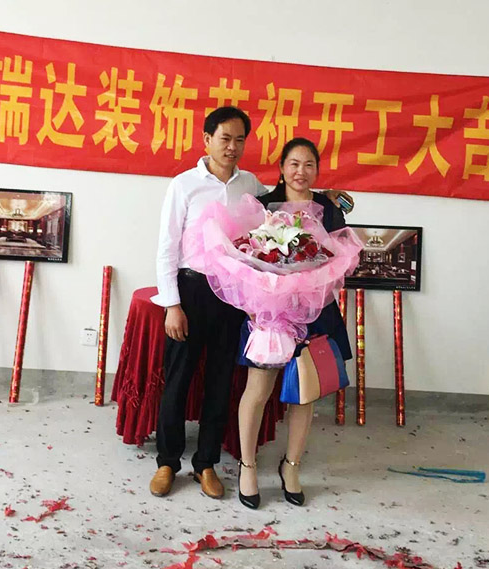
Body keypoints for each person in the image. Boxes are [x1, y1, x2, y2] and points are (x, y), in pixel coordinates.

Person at [150, 108, 352, 500]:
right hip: (192, 291)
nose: (232, 146)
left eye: (239, 139)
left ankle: (206, 463)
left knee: (221, 381)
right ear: (207, 139)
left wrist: (325, 195)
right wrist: (172, 304)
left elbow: (289, 198)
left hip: (236, 298)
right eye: (225, 138)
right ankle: (167, 462)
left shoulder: (251, 186)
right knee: (178, 377)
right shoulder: (184, 185)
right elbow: (166, 247)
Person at [236, 137, 353, 509]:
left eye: (309, 165)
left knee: (305, 392)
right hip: (270, 314)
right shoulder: (263, 206)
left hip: (316, 312)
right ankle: (247, 466)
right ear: (282, 167)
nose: (301, 171)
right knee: (258, 390)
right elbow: (245, 261)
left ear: (317, 170)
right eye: (294, 163)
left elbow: (339, 260)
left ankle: (291, 466)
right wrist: (254, 306)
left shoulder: (329, 210)